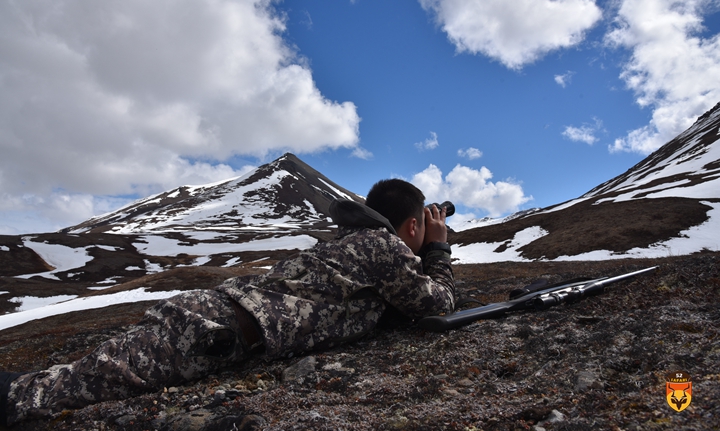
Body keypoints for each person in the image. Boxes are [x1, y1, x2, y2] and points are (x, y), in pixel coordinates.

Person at [0, 179, 455, 425]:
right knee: (40, 396)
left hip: (210, 315)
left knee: (66, 377)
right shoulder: (384, 247)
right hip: (212, 332)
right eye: (422, 227)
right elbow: (435, 304)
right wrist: (437, 249)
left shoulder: (350, 243)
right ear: (412, 226)